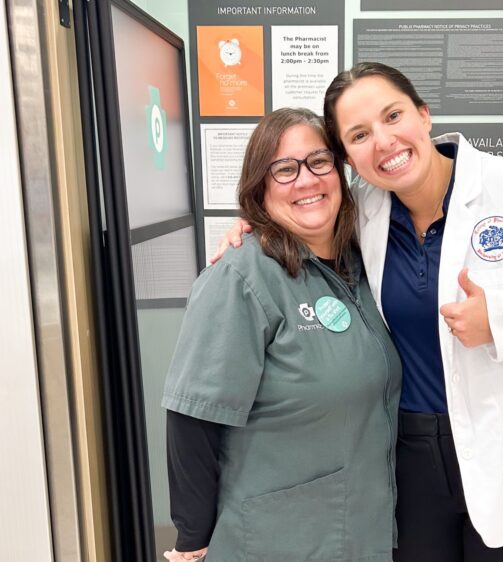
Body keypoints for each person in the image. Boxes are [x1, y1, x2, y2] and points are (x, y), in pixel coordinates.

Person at [216, 63, 503, 562]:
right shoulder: (362, 213)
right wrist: (256, 223)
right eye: (359, 135)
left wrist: (501, 318)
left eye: (393, 116)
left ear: (424, 114)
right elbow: (304, 216)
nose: (385, 141)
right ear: (348, 157)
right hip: (411, 459)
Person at [162, 107, 401, 562]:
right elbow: (193, 419)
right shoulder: (240, 278)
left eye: (318, 162)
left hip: (360, 527)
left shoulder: (366, 262)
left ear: (339, 170)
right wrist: (193, 540)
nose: (306, 180)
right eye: (284, 169)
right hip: (276, 538)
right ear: (260, 186)